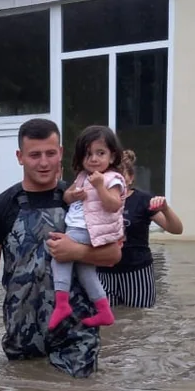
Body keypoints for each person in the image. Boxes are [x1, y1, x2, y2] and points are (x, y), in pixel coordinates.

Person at [0, 118, 121, 378]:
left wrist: (77, 252)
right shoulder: (1, 206)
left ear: (61, 153)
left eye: (50, 153)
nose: (44, 163)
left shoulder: (83, 199)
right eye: (34, 155)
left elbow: (114, 255)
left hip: (75, 330)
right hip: (22, 327)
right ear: (20, 157)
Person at [49, 126, 126, 331]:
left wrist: (100, 186)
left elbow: (114, 205)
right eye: (88, 154)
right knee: (85, 271)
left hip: (89, 230)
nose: (93, 159)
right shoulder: (83, 176)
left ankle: (62, 304)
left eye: (100, 153)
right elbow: (67, 196)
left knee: (60, 255)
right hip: (81, 228)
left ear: (112, 156)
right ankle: (104, 310)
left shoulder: (113, 179)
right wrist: (73, 195)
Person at [94, 149, 184, 308]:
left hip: (137, 272)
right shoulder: (97, 199)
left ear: (130, 178)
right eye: (113, 174)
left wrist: (165, 209)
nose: (117, 180)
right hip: (104, 272)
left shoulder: (142, 200)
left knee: (138, 319)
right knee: (108, 323)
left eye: (122, 175)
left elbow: (176, 229)